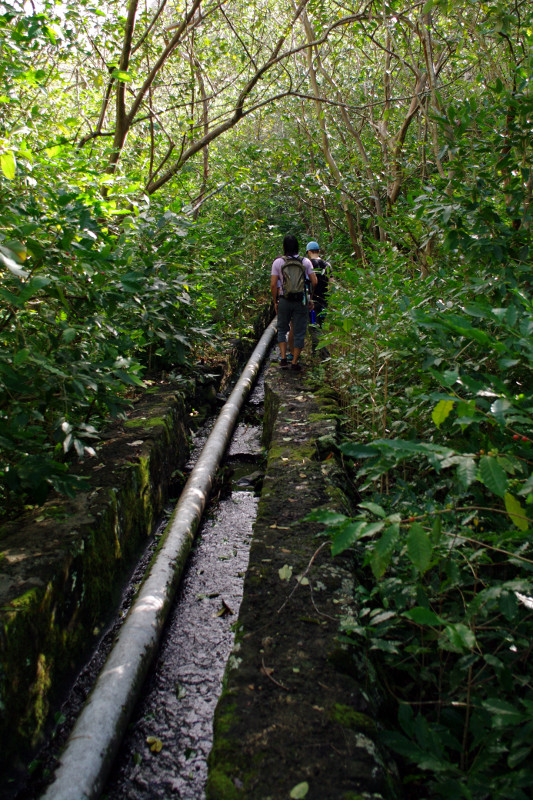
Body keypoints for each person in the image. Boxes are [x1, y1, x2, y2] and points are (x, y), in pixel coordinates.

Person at [271, 234, 317, 372]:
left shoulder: (278, 263)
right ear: (298, 247)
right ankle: (295, 362)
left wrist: (275, 301)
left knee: (282, 328)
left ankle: (284, 359)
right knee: (299, 331)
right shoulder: (306, 262)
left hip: (284, 300)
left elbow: (273, 284)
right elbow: (314, 281)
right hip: (300, 301)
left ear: (284, 247)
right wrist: (310, 297)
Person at [305, 241, 333, 326]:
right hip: (323, 299)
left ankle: (315, 338)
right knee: (321, 323)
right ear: (319, 251)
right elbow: (331, 283)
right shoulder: (327, 265)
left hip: (311, 299)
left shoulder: (307, 264)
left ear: (309, 252)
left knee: (313, 323)